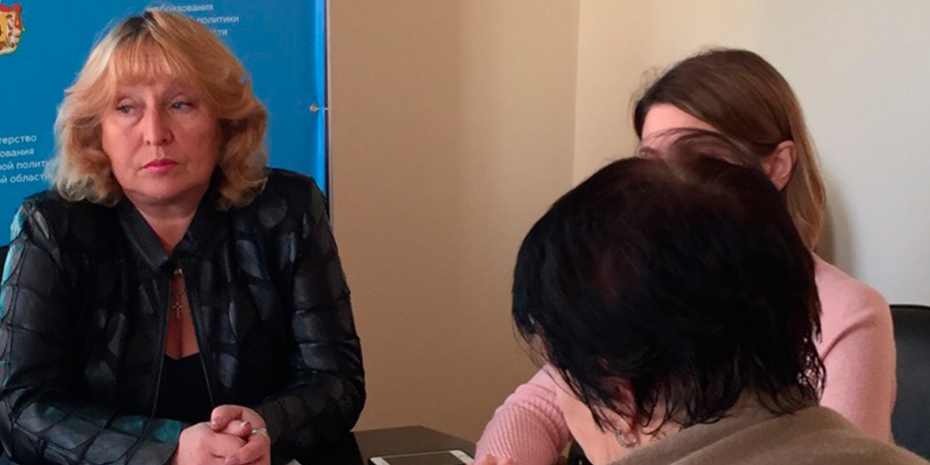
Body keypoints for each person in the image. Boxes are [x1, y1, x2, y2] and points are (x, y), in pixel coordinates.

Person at [475, 48, 895, 465]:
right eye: (650, 163)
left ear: (777, 165)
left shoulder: (844, 308)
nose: (670, 182)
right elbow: (540, 402)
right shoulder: (628, 281)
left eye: (701, 160)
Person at [0, 9, 364, 465]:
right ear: (97, 133)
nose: (155, 134)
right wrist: (170, 451)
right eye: (126, 108)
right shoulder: (53, 227)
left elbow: (336, 381)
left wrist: (265, 427)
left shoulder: (287, 211)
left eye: (180, 104)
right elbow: (18, 407)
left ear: (225, 122)